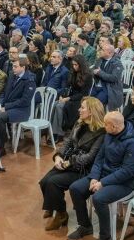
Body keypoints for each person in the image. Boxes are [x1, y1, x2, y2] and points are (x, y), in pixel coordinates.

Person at [67, 112, 134, 240]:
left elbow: (127, 172)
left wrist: (102, 183)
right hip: (104, 176)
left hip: (125, 182)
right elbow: (100, 158)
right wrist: (94, 177)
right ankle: (85, 226)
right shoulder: (109, 135)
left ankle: (105, 237)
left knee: (99, 198)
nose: (103, 126)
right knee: (75, 188)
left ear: (114, 126)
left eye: (106, 124)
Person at [39, 97, 106, 231]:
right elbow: (68, 142)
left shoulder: (101, 132)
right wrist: (58, 156)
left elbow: (90, 157)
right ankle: (54, 206)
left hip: (84, 169)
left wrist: (69, 162)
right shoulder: (79, 123)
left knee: (53, 183)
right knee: (44, 181)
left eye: (82, 107)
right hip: (69, 162)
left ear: (91, 111)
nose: (79, 109)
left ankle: (61, 215)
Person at [0, 57, 35, 154]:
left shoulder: (30, 80)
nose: (13, 68)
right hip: (10, 106)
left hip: (22, 110)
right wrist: (0, 104)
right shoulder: (12, 75)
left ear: (23, 67)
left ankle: (1, 147)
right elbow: (5, 92)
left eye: (15, 66)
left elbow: (24, 101)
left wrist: (6, 107)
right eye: (13, 66)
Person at [93, 43, 124, 111]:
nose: (100, 51)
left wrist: (100, 73)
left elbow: (114, 78)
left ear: (109, 53)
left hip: (109, 88)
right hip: (96, 85)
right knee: (87, 99)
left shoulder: (117, 63)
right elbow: (94, 70)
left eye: (103, 50)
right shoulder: (100, 59)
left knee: (96, 103)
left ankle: (98, 117)